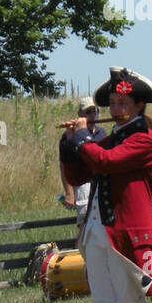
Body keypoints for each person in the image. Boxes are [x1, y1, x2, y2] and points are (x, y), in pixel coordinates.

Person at [59, 67, 152, 303]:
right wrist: (70, 144)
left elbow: (106, 162)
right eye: (113, 103)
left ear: (138, 107)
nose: (115, 110)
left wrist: (81, 137)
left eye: (122, 103)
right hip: (97, 231)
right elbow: (79, 176)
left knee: (128, 298)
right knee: (106, 300)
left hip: (126, 232)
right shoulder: (111, 138)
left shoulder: (142, 139)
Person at [60, 97, 106, 229]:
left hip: (101, 183)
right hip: (83, 185)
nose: (93, 115)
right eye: (88, 112)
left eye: (95, 111)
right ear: (80, 114)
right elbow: (65, 166)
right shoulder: (69, 136)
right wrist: (69, 193)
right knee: (85, 225)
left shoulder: (101, 133)